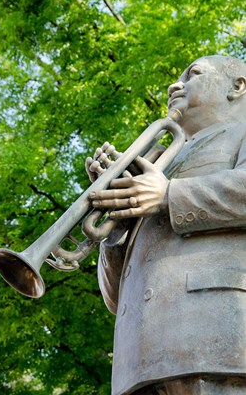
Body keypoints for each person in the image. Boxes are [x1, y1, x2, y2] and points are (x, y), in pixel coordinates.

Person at [86, 55, 246, 395]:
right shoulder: (162, 161)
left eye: (193, 74)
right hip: (137, 361)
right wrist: (117, 218)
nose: (175, 85)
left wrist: (169, 194)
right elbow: (114, 298)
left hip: (219, 342)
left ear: (238, 87)